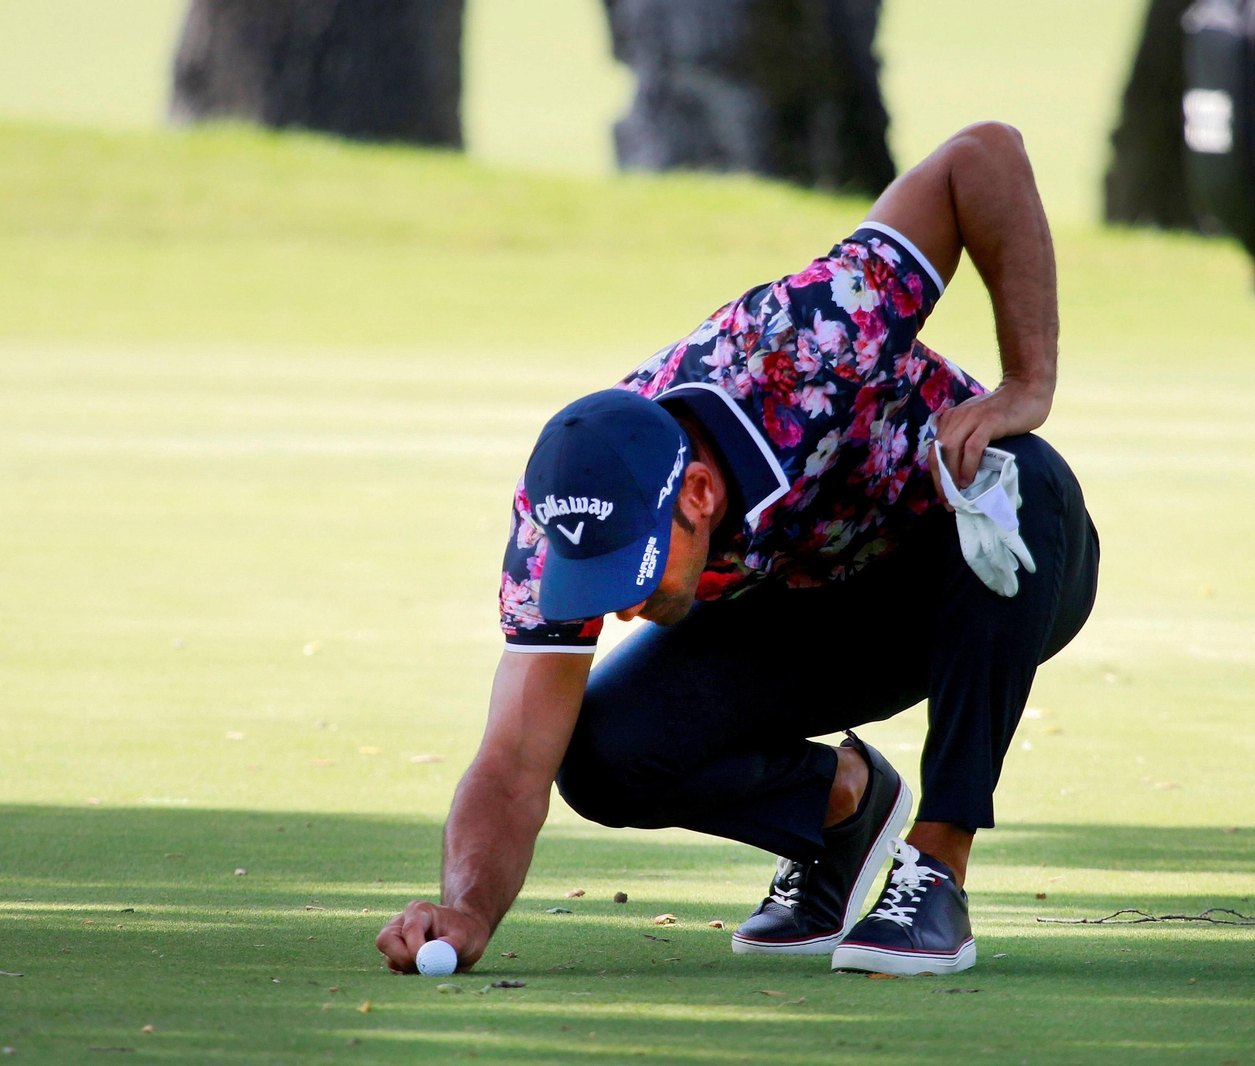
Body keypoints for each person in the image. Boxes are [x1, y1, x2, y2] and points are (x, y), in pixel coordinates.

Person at [375, 122, 1100, 977]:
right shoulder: (555, 520)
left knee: (1016, 477)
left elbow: (982, 157)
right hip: (811, 602)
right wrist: (464, 908)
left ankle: (936, 866)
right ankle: (844, 808)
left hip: (993, 573)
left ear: (697, 495)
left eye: (633, 572)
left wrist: (1027, 382)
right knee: (602, 755)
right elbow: (512, 763)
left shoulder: (807, 339)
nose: (621, 606)